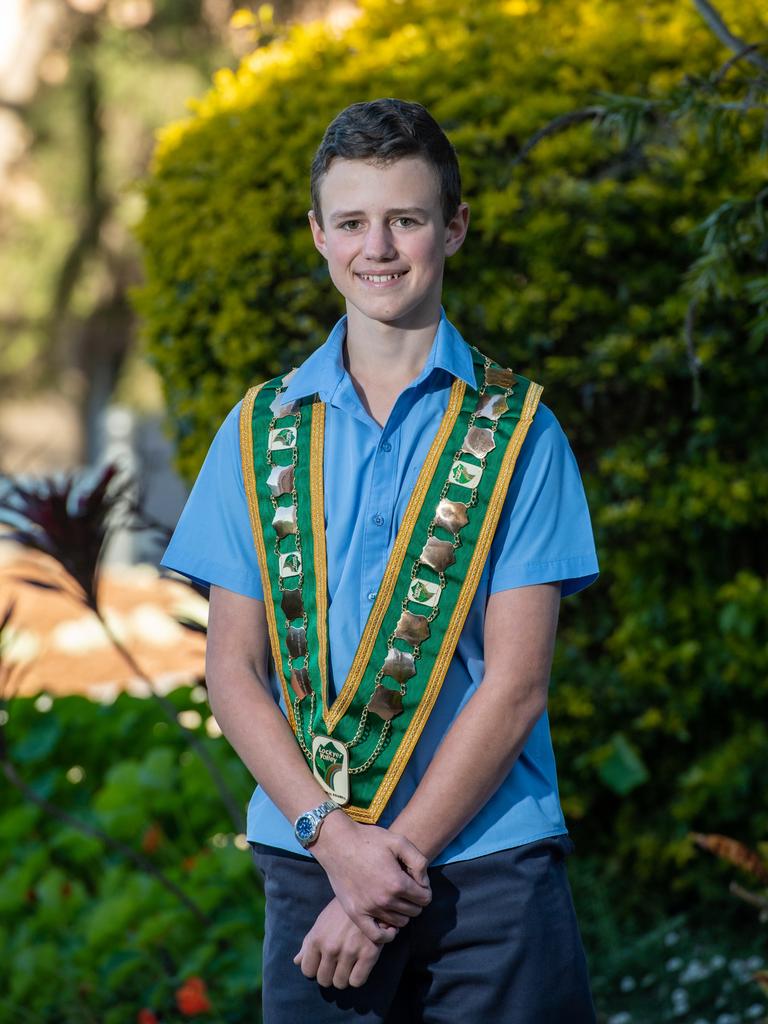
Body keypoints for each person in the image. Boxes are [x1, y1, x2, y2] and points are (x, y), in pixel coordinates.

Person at [162, 97, 600, 1022]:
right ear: (319, 236)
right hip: (311, 859)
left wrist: (380, 870)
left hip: (489, 868)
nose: (381, 247)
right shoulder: (258, 432)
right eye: (354, 221)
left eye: (406, 219)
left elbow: (516, 685)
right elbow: (233, 672)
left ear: (454, 227)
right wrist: (338, 848)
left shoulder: (521, 434)